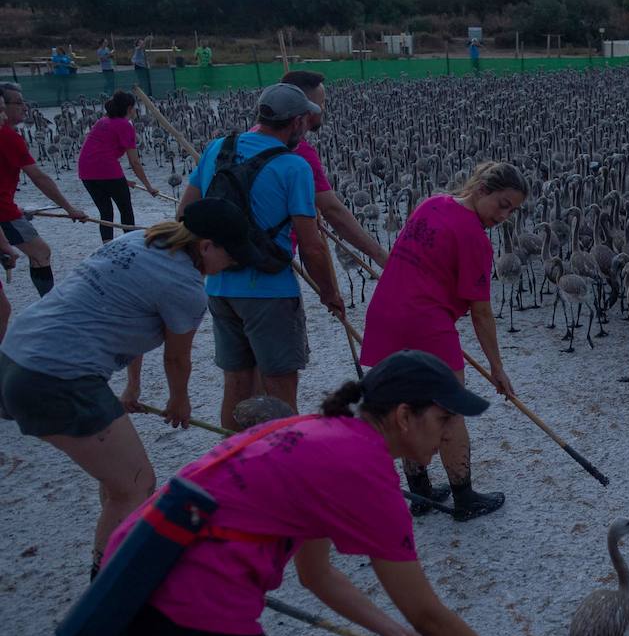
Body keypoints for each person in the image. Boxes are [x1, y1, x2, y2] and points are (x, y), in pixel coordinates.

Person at [104, 350, 565, 636]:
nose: (450, 432)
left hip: (149, 567)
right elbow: (428, 615)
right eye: (443, 418)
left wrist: (387, 627)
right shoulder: (365, 472)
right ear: (405, 417)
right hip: (184, 602)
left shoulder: (326, 435)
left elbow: (315, 574)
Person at [0, 199, 249, 575]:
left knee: (120, 481)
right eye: (231, 256)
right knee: (137, 483)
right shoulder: (186, 286)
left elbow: (132, 318)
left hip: (16, 356)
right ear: (206, 247)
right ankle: (107, 588)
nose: (232, 265)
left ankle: (118, 548)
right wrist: (179, 401)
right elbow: (177, 359)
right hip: (56, 378)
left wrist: (132, 386)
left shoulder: (138, 243)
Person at [360, 161, 526, 519]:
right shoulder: (475, 239)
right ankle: (464, 499)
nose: (506, 216)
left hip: (387, 314)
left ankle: (421, 495)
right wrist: (497, 368)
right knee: (448, 414)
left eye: (512, 210)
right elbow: (481, 314)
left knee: (405, 407)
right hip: (425, 324)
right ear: (482, 190)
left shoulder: (431, 203)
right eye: (503, 204)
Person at [175, 83, 345, 431]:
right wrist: (329, 292)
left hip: (220, 288)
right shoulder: (293, 166)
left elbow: (184, 214)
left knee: (236, 385)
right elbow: (312, 245)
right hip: (269, 291)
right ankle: (279, 472)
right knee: (280, 389)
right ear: (297, 122)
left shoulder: (215, 148)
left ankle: (232, 467)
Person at [276, 71, 389, 268]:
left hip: (222, 282)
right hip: (269, 278)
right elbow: (333, 211)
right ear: (307, 109)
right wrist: (380, 256)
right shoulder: (300, 154)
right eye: (322, 103)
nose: (324, 108)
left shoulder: (233, 144)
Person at [0, 81, 87, 296]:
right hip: (3, 211)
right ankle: (48, 304)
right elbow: (39, 178)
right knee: (40, 252)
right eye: (17, 103)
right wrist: (69, 208)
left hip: (7, 206)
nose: (24, 107)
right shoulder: (9, 137)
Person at [77, 90, 160, 243]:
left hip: (86, 171)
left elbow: (99, 151)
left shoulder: (102, 121)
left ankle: (106, 245)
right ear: (129, 109)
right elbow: (134, 162)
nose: (136, 110)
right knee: (126, 210)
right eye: (135, 107)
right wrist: (149, 187)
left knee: (105, 212)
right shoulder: (125, 125)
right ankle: (130, 245)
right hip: (106, 171)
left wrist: (122, 181)